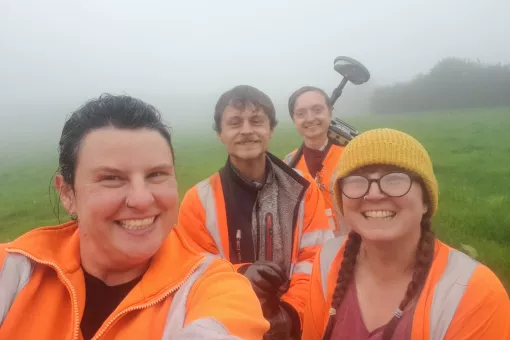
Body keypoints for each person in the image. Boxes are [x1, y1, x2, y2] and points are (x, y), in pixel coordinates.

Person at [0, 94, 270, 340]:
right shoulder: (13, 269)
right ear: (68, 193)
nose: (141, 200)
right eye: (111, 179)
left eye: (156, 175)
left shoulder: (216, 288)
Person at [302, 128, 510, 340]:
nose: (374, 194)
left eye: (394, 180)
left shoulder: (474, 292)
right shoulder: (328, 260)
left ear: (425, 202)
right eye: (357, 181)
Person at [177, 85, 333, 339]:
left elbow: (315, 261)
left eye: (257, 121)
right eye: (235, 122)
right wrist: (240, 276)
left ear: (270, 130)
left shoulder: (304, 190)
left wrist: (291, 313)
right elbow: (193, 274)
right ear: (220, 133)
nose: (247, 130)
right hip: (228, 329)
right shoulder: (198, 201)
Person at [284, 86, 347, 235]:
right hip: (309, 253)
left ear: (330, 113)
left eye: (317, 110)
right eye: (300, 113)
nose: (310, 118)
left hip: (350, 248)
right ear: (294, 120)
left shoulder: (352, 157)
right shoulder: (287, 164)